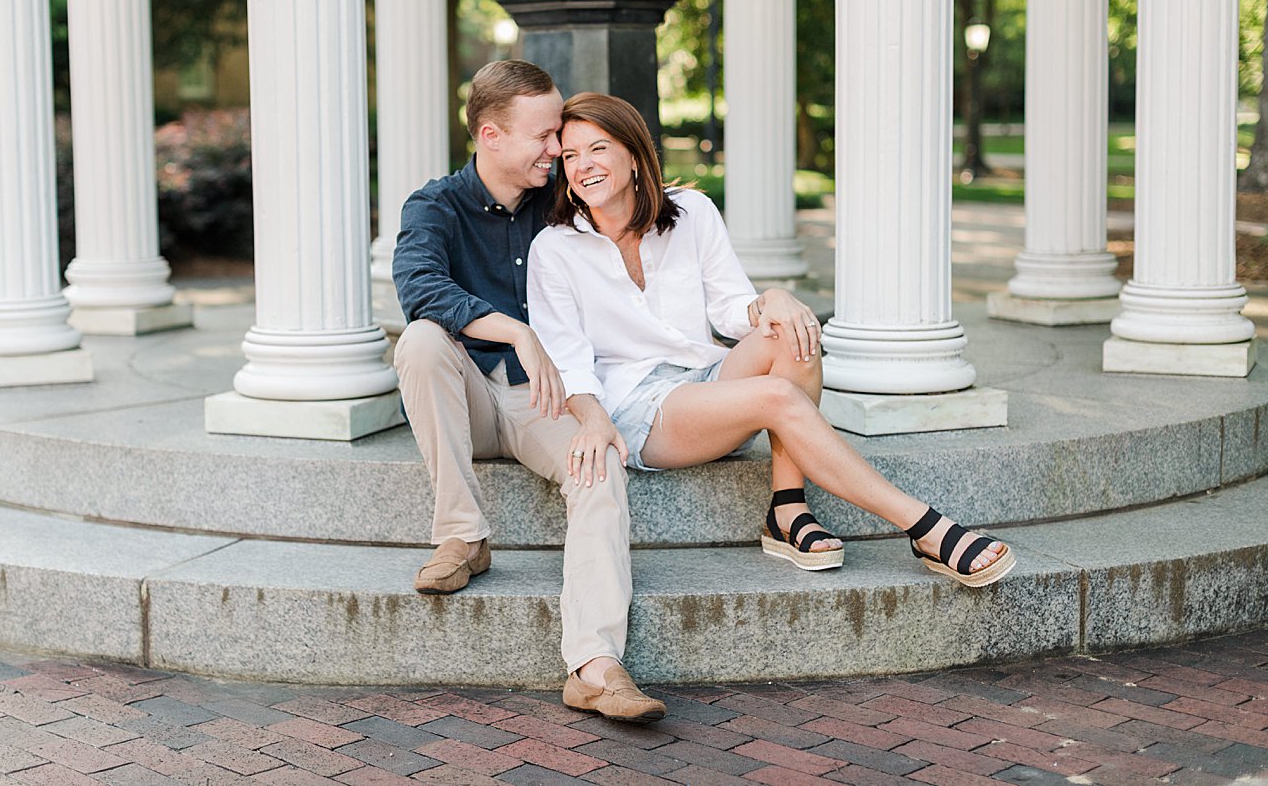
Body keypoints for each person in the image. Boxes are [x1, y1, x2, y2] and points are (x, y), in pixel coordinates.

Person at [526, 93, 1015, 587]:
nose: (582, 166)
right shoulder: (554, 248)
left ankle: (787, 506)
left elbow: (730, 308)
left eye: (598, 149)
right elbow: (566, 358)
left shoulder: (691, 212)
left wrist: (774, 298)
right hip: (639, 408)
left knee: (790, 330)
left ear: (633, 154)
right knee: (778, 395)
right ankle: (924, 526)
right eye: (570, 156)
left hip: (707, 378)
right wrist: (590, 420)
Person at [392, 62, 667, 723]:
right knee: (423, 342)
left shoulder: (566, 201)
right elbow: (420, 289)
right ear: (490, 134)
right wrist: (515, 330)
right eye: (546, 136)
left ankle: (596, 668)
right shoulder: (435, 206)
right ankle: (463, 536)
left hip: (548, 400)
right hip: (471, 395)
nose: (558, 149)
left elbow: (647, 234)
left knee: (597, 463)